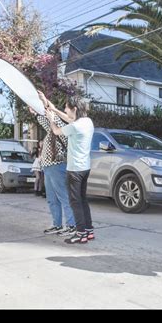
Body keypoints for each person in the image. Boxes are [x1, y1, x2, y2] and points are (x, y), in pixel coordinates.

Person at [45, 95, 94, 244]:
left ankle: (80, 234)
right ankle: (88, 230)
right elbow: (69, 118)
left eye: (67, 107)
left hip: (74, 169)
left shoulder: (75, 126)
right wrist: (54, 109)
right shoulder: (87, 122)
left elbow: (56, 131)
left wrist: (51, 118)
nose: (65, 110)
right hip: (85, 168)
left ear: (75, 109)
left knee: (75, 202)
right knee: (83, 200)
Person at [28, 93, 76, 236]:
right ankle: (57, 225)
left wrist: (45, 105)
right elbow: (46, 121)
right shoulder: (53, 127)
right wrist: (37, 112)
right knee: (51, 198)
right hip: (48, 166)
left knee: (63, 196)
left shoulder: (67, 128)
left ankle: (72, 225)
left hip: (57, 165)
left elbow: (53, 119)